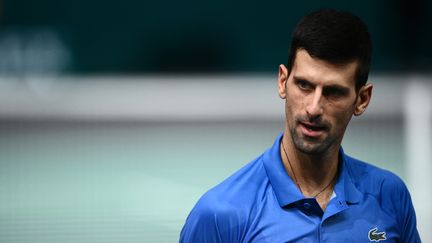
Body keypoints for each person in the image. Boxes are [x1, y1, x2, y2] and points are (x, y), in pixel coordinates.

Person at [180, 9, 421, 242]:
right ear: (283, 82)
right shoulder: (219, 214)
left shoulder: (390, 196)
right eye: (304, 85)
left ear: (362, 100)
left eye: (333, 92)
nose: (314, 108)